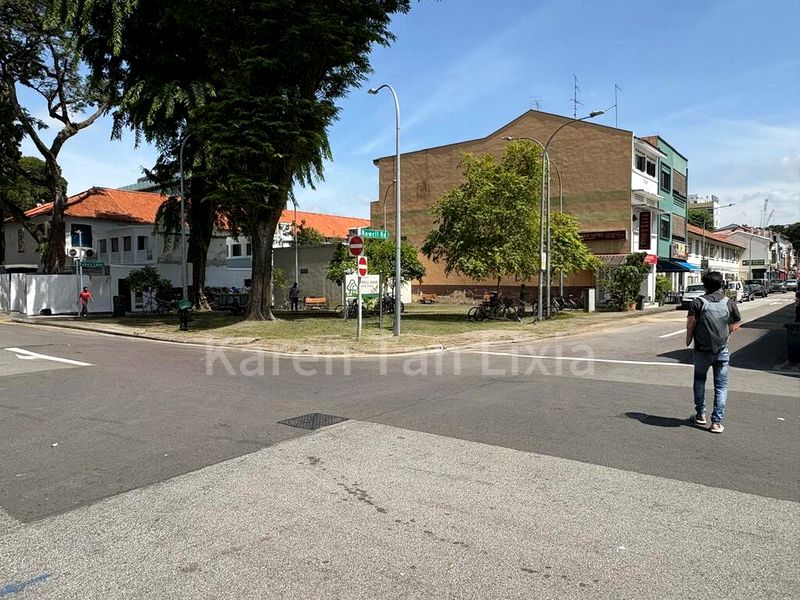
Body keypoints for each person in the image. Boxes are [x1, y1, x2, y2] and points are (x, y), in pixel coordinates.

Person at [685, 271, 741, 433]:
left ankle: (700, 414)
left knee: (700, 381)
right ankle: (716, 422)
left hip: (701, 349)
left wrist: (689, 339)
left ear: (705, 285)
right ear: (721, 285)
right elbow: (737, 322)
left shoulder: (697, 302)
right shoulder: (729, 302)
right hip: (722, 350)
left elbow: (691, 324)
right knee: (721, 386)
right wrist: (727, 333)